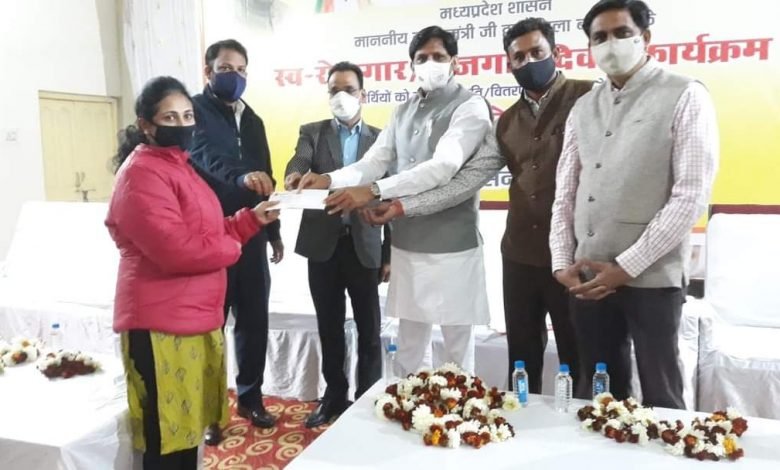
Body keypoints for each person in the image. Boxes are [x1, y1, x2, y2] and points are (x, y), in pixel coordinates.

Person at [364, 18, 592, 395]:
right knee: (522, 359)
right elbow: (466, 181)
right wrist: (403, 207)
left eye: (537, 52)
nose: (528, 62)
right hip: (520, 253)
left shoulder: (588, 98)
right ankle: (523, 419)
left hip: (576, 251)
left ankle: (580, 426)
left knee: (579, 355)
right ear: (508, 64)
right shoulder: (507, 123)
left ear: (556, 53)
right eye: (518, 57)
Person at [293, 26, 492, 376]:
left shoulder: (470, 107)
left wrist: (373, 191)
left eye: (439, 57)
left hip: (453, 246)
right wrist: (329, 179)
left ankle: (459, 409)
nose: (430, 64)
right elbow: (374, 161)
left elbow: (443, 167)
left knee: (456, 351)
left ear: (455, 62)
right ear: (411, 66)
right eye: (422, 58)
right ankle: (409, 406)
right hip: (407, 241)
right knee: (410, 346)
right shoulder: (403, 109)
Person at [549, 0, 718, 408]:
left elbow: (691, 196)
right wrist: (560, 262)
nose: (611, 43)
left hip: (652, 278)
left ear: (645, 37)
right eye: (600, 37)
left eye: (622, 33)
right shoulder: (584, 106)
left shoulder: (684, 94)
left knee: (661, 395)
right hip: (588, 277)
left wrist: (626, 267)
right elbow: (565, 192)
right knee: (600, 396)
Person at [106, 76, 279, 470]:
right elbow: (176, 251)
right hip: (159, 325)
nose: (182, 124)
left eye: (187, 116)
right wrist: (233, 248)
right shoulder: (141, 175)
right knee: (166, 443)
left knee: (186, 439)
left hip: (192, 319)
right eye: (170, 117)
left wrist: (250, 220)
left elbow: (208, 229)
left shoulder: (180, 166)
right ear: (146, 125)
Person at [284, 62, 391, 427]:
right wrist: (294, 175)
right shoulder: (312, 132)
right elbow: (299, 161)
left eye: (348, 89)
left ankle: (368, 399)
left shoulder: (381, 139)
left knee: (369, 330)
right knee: (329, 327)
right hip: (322, 247)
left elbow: (391, 195)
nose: (341, 96)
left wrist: (389, 253)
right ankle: (333, 396)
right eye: (334, 90)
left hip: (365, 247)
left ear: (363, 94)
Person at [189, 39, 282, 443]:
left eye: (242, 69)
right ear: (208, 71)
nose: (236, 76)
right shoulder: (194, 112)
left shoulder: (254, 119)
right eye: (227, 68)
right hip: (212, 233)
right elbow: (204, 156)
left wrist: (274, 232)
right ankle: (212, 411)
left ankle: (250, 398)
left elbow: (266, 173)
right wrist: (240, 177)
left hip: (253, 233)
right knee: (212, 326)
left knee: (254, 320)